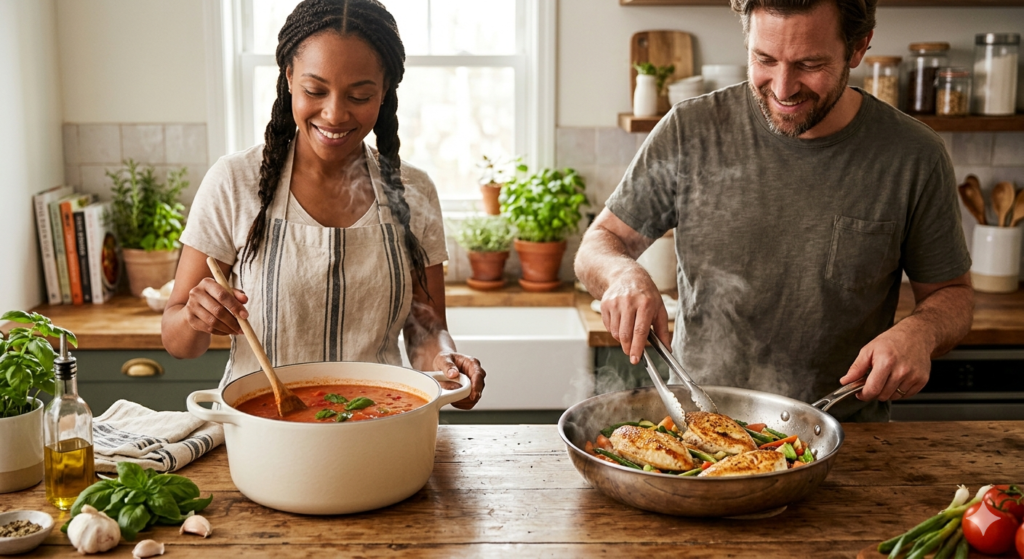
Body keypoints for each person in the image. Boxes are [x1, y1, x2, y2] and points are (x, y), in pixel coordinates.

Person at [575, 0, 974, 421]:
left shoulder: (914, 156)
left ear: (858, 48)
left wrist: (921, 332)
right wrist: (622, 274)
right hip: (700, 429)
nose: (783, 88)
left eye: (810, 64)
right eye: (764, 59)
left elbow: (953, 295)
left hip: (844, 438)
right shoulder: (690, 130)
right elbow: (599, 244)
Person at [161, 0, 485, 408]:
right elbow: (178, 344)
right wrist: (195, 315)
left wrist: (446, 364)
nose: (334, 114)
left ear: (384, 91)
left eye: (360, 95)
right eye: (316, 90)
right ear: (290, 78)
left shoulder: (412, 190)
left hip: (380, 423)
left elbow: (425, 326)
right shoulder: (234, 182)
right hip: (262, 427)